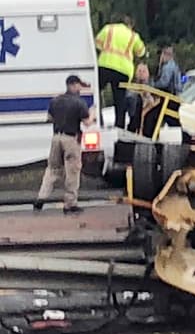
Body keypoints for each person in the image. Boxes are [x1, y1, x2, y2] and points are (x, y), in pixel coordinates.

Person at [33, 75, 95, 214]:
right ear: (72, 85)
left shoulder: (55, 101)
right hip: (71, 139)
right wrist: (92, 114)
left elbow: (49, 118)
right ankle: (70, 204)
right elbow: (87, 123)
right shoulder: (79, 103)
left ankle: (40, 198)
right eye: (79, 85)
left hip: (56, 138)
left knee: (52, 169)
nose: (80, 89)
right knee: (72, 171)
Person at [94, 15, 146, 129]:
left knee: (96, 93)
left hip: (105, 65)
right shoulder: (133, 36)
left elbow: (97, 43)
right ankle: (119, 125)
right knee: (119, 99)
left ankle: (97, 119)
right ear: (129, 25)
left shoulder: (108, 29)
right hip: (123, 70)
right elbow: (141, 52)